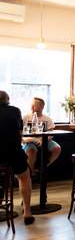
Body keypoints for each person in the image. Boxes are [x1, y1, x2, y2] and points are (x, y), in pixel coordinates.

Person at [0, 91, 34, 225]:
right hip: (13, 152)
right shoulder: (15, 111)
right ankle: (27, 212)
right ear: (7, 100)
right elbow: (19, 135)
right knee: (24, 177)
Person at [22, 97, 61, 172]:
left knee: (57, 148)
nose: (32, 107)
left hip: (44, 140)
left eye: (34, 105)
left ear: (42, 107)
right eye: (32, 105)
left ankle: (42, 167)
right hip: (28, 140)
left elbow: (51, 133)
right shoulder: (25, 117)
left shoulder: (47, 119)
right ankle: (31, 173)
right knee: (32, 151)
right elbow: (20, 133)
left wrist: (43, 140)